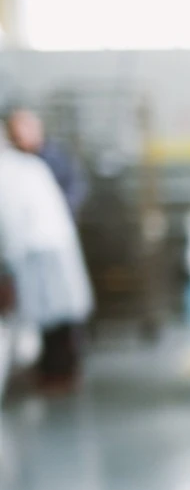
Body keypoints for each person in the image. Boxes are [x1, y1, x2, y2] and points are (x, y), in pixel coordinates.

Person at [0, 141, 94, 393]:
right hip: (49, 242)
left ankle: (57, 375)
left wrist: (8, 261)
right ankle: (55, 373)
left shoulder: (8, 171)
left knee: (50, 313)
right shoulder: (25, 165)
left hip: (35, 246)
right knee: (56, 312)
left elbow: (9, 220)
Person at [5, 108, 88, 220]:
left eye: (27, 128)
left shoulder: (58, 157)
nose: (21, 135)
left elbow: (76, 188)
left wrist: (53, 211)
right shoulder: (12, 161)